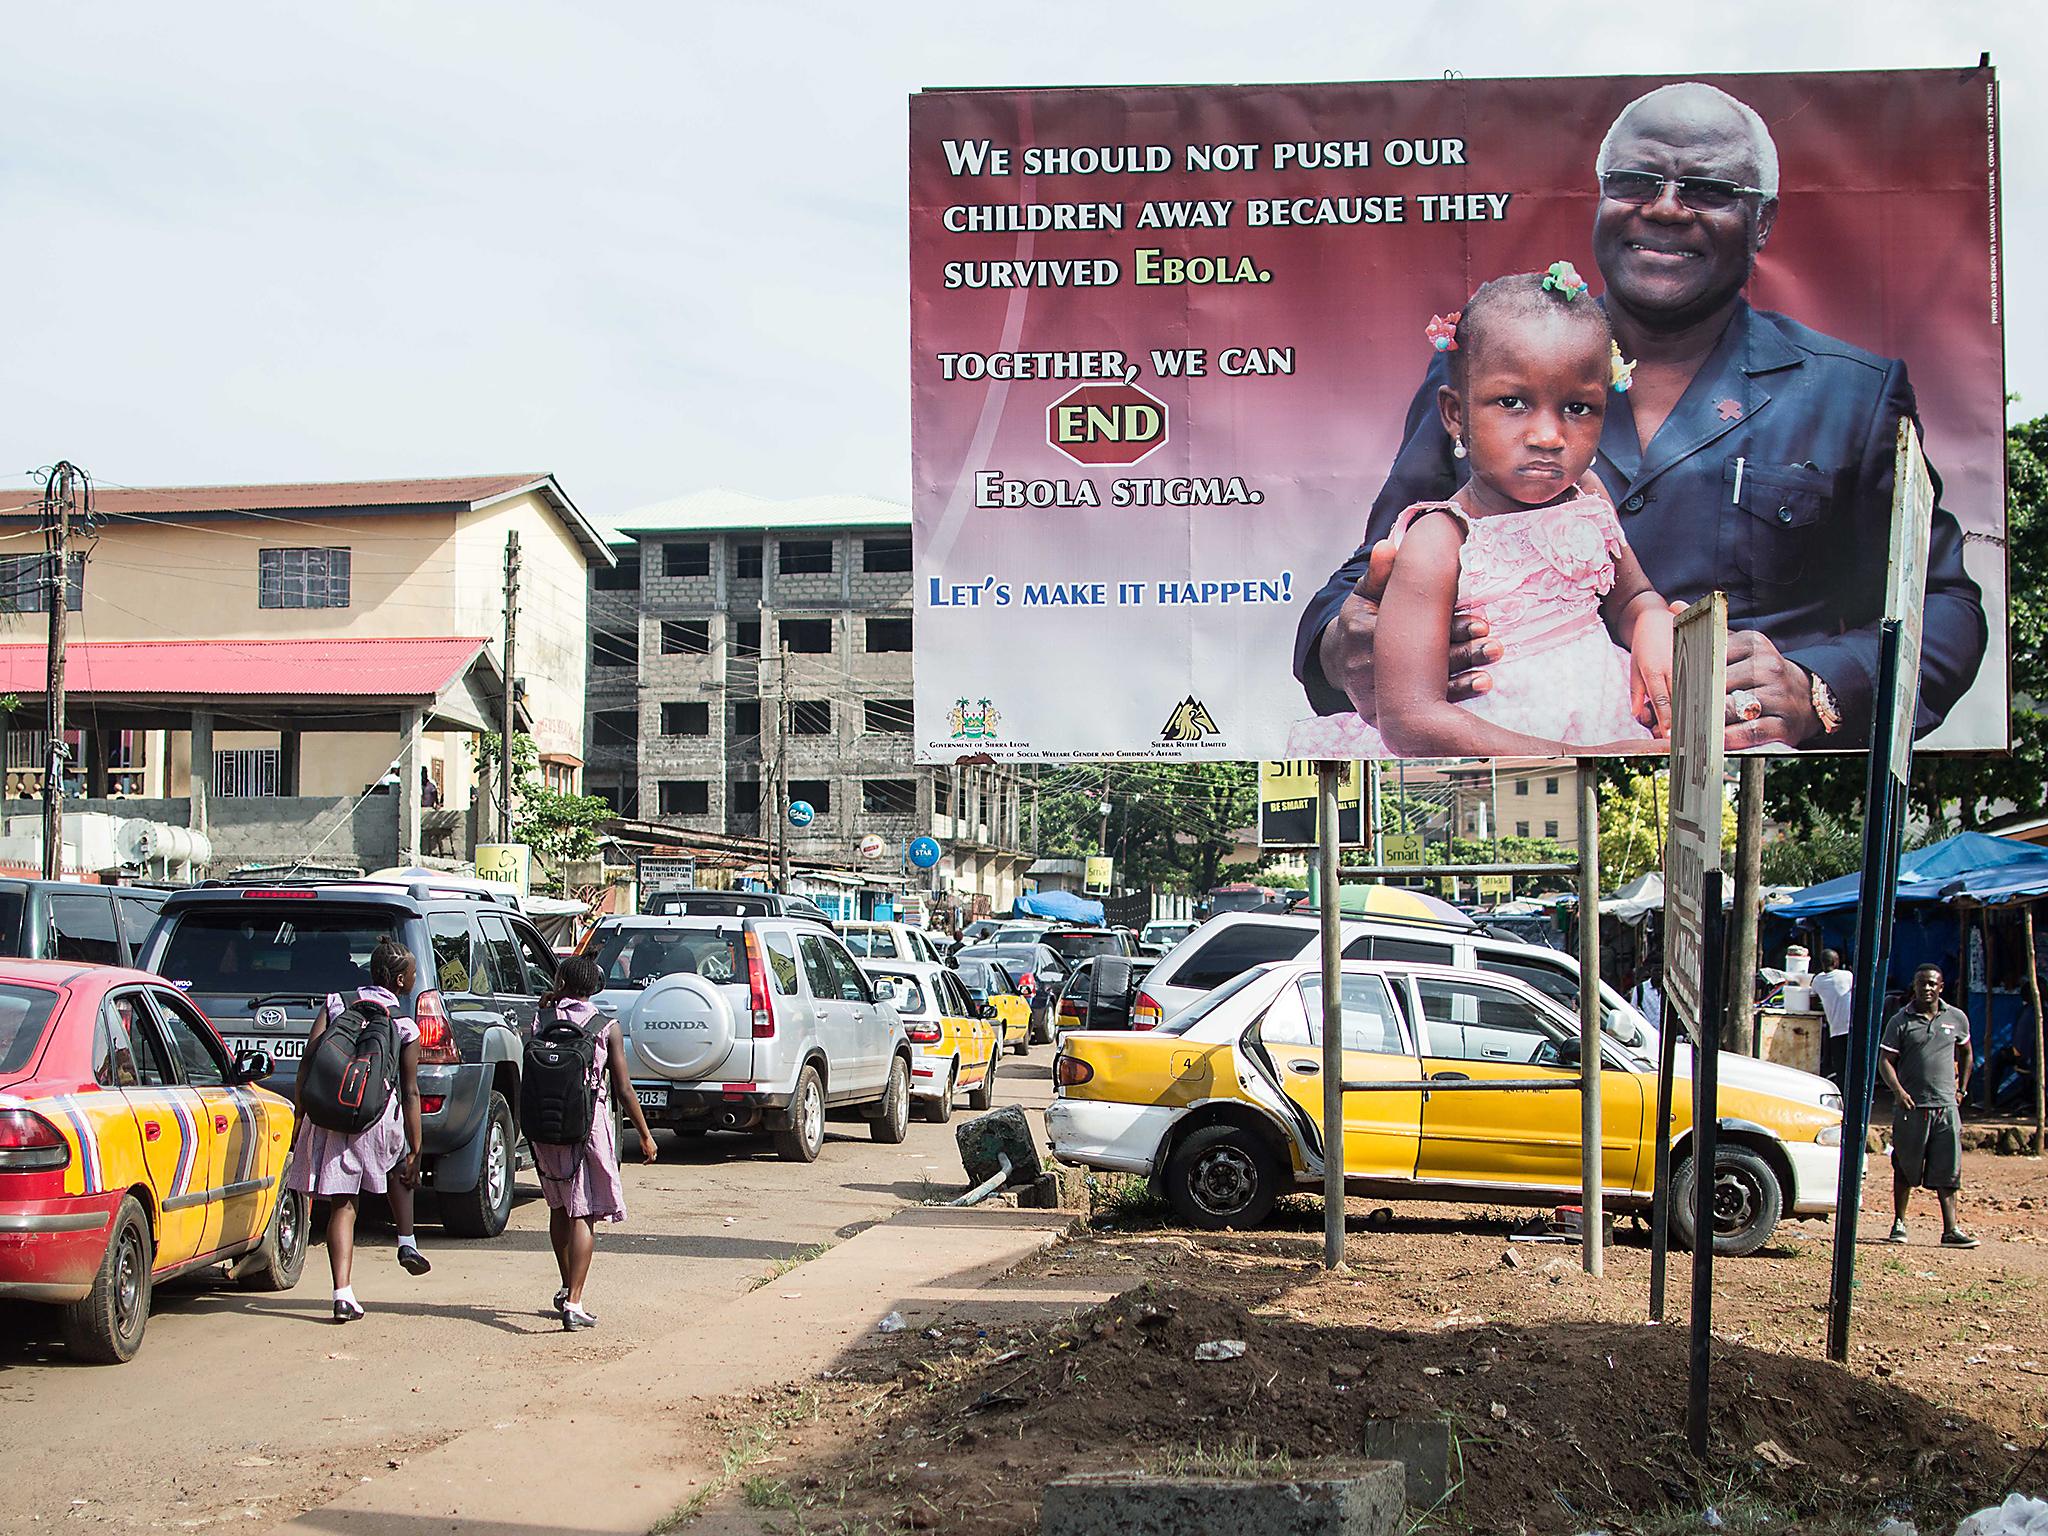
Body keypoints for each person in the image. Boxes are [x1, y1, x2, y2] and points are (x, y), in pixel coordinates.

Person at [1295, 80, 1987, 752]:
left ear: (1764, 221)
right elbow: (1365, 578)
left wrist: (1818, 690)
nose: (1664, 208)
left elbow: (1945, 609)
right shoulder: (1486, 372)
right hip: (1522, 791)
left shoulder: (1852, 395)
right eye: (1635, 180)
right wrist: (1345, 645)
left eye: (1709, 191)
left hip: (1747, 797)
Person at [1288, 264, 1674, 757]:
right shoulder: (1438, 540)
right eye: (1513, 402)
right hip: (1497, 749)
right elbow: (1410, 720)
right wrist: (1571, 758)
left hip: (1611, 720)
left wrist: (1653, 621)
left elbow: (1632, 597)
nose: (1548, 437)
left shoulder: (1589, 497)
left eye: (1578, 408)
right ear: (1455, 414)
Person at [287, 936, 431, 1322]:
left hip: (332, 1119)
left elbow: (308, 1061)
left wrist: (301, 1114)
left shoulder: (336, 1002)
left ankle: (342, 1293)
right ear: (400, 981)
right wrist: (416, 1148)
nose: (415, 980)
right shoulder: (403, 1024)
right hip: (376, 1118)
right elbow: (411, 1090)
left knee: (343, 1205)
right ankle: (406, 1240)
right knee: (399, 1164)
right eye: (413, 975)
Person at [529, 955, 657, 1331]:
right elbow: (623, 1088)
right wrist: (646, 1136)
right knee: (582, 1212)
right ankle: (575, 1301)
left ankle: (567, 1285)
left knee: (558, 1207)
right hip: (587, 1127)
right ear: (595, 987)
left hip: (546, 1127)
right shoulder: (606, 1026)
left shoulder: (542, 1019)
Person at [1877, 964, 1977, 1248]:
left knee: (1948, 1170)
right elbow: (1885, 1061)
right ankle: (1899, 1223)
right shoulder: (1901, 1020)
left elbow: (1968, 1053)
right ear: (1914, 985)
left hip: (1946, 1107)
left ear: (1941, 987)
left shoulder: (1956, 1018)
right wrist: (1897, 1091)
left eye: (1932, 983)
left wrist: (1962, 1090)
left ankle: (1951, 1230)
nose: (1927, 988)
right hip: (1912, 1108)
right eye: (1922, 983)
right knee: (1905, 1167)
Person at [1812, 948, 1852, 1085]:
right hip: (1851, 1028)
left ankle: (1842, 1097)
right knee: (1854, 1065)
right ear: (1836, 962)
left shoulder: (1817, 981)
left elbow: (1813, 997)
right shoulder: (1847, 976)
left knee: (1841, 1068)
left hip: (1835, 1031)